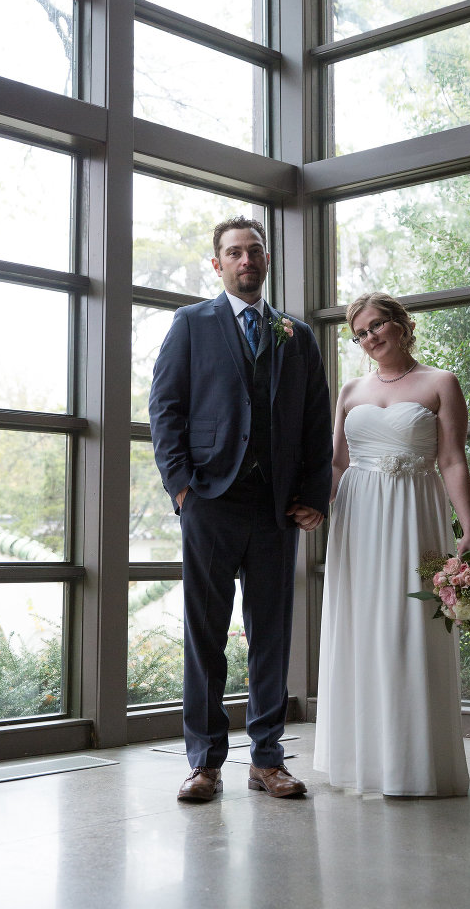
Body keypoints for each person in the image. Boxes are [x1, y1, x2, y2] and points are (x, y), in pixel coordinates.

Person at [149, 216, 333, 802]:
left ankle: (267, 759)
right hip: (210, 501)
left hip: (277, 509)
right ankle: (204, 763)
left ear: (267, 260)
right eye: (234, 253)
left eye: (254, 250)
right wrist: (181, 487)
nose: (245, 260)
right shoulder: (190, 325)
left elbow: (314, 422)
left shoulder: (296, 335)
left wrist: (312, 496)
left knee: (272, 634)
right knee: (204, 633)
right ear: (218, 264)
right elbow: (166, 409)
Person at [313, 291, 470, 797]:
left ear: (401, 324)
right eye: (360, 333)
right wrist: (314, 507)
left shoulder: (440, 383)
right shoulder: (349, 390)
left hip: (415, 513)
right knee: (363, 626)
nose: (370, 339)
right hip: (358, 519)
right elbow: (338, 464)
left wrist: (469, 529)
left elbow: (452, 460)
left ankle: (417, 763)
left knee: (411, 627)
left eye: (377, 326)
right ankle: (366, 760)